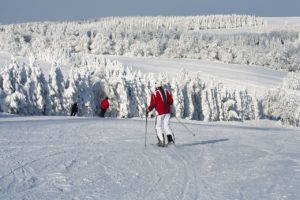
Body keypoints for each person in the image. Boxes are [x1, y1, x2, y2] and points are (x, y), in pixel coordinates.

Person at [146, 81, 175, 147]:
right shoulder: (167, 91)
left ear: (156, 86)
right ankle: (171, 141)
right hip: (167, 113)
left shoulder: (155, 93)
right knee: (166, 126)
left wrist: (148, 110)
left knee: (158, 126)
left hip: (160, 113)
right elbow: (171, 102)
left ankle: (161, 141)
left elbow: (152, 104)